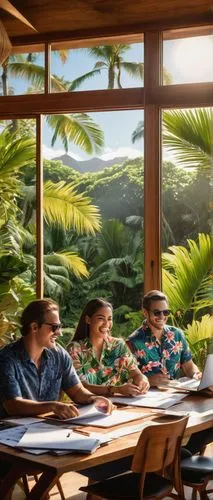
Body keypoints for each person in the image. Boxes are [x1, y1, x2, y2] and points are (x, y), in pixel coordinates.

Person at [127, 289, 213, 454]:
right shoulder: (133, 342)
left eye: (165, 312)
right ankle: (174, 460)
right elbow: (125, 382)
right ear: (145, 312)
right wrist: (150, 381)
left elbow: (188, 365)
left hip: (178, 399)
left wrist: (196, 374)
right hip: (149, 407)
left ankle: (180, 458)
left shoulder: (177, 335)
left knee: (207, 421)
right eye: (156, 312)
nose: (162, 316)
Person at [0, 299, 113, 419]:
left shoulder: (59, 355)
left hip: (48, 427)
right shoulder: (6, 359)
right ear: (34, 327)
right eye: (54, 327)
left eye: (60, 326)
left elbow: (77, 391)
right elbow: (13, 405)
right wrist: (53, 406)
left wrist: (93, 398)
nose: (59, 333)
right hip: (9, 432)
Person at [68, 297, 149, 397]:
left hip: (120, 406)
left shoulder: (119, 345)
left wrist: (142, 380)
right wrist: (116, 389)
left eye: (109, 319)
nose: (107, 324)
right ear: (88, 319)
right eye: (101, 318)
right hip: (87, 406)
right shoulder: (74, 349)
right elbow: (80, 388)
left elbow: (135, 373)